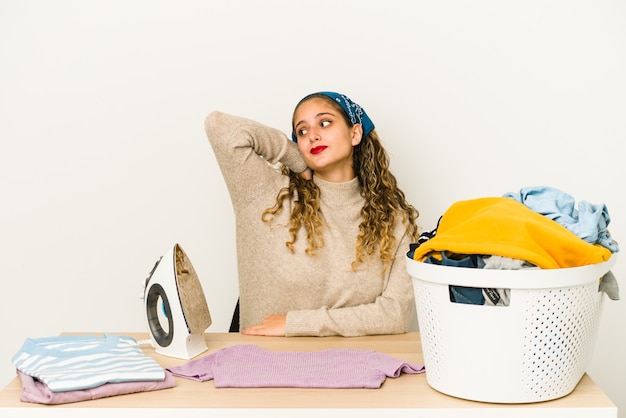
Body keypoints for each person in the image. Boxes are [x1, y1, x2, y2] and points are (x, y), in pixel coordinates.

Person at [205, 91, 420, 337]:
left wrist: (296, 324)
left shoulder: (394, 221)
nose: (313, 136)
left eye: (325, 123)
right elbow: (219, 126)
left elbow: (395, 316)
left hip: (353, 366)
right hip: (263, 365)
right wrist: (295, 157)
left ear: (355, 133)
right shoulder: (267, 196)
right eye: (302, 132)